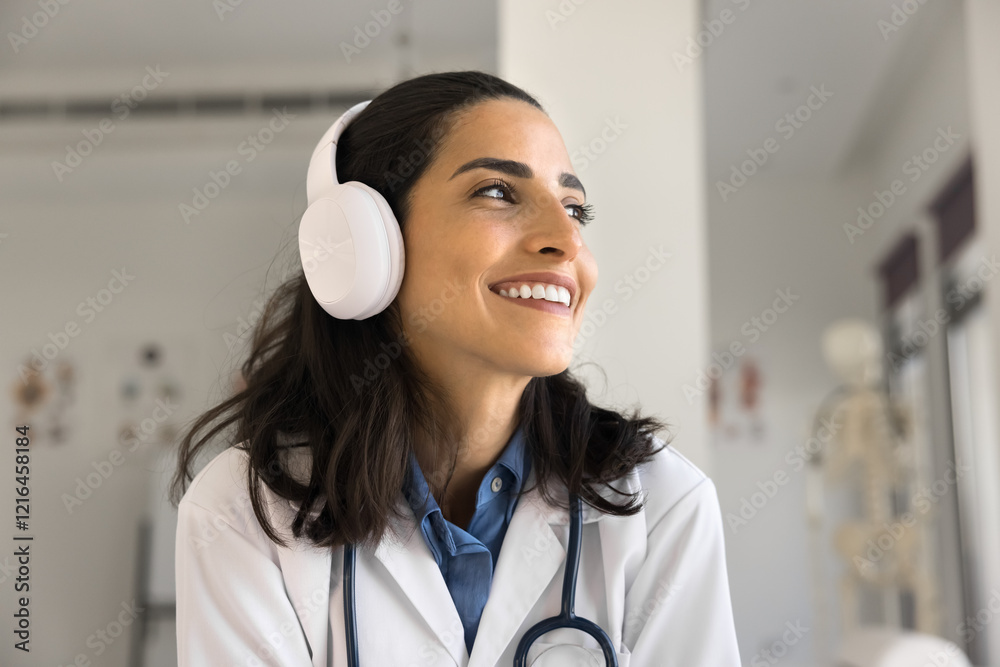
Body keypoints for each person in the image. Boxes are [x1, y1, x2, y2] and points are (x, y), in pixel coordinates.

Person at [171, 70, 741, 666]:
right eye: (497, 191)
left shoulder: (664, 505)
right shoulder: (243, 511)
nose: (565, 241)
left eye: (576, 208)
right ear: (371, 246)